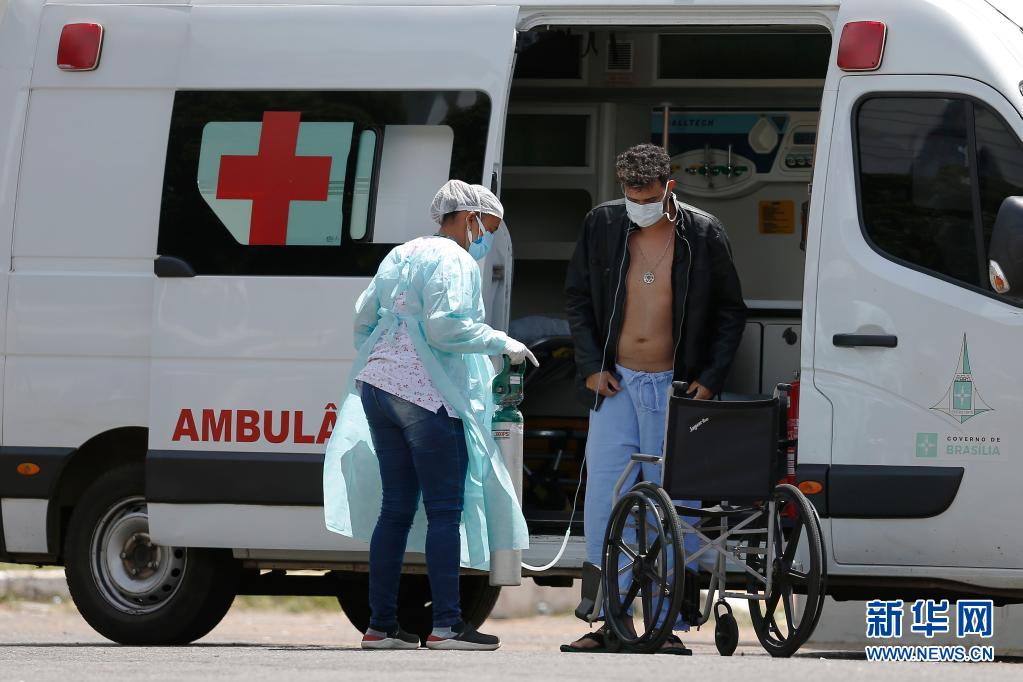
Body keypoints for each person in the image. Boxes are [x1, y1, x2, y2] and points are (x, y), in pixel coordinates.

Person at [323, 180, 536, 651]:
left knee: (395, 508)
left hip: (377, 386)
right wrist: (503, 343)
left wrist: (392, 357)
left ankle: (380, 627)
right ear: (467, 218)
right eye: (489, 228)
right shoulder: (455, 260)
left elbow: (364, 318)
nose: (487, 240)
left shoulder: (401, 254)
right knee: (445, 510)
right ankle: (446, 626)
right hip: (425, 394)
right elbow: (446, 328)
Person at [561, 144, 747, 653]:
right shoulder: (602, 224)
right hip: (616, 382)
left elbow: (732, 312)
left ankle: (668, 624)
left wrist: (709, 378)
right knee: (607, 499)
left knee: (676, 504)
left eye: (646, 194)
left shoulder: (703, 233)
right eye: (629, 193)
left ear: (670, 186)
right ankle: (606, 621)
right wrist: (590, 367)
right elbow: (577, 297)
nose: (636, 202)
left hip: (676, 385)